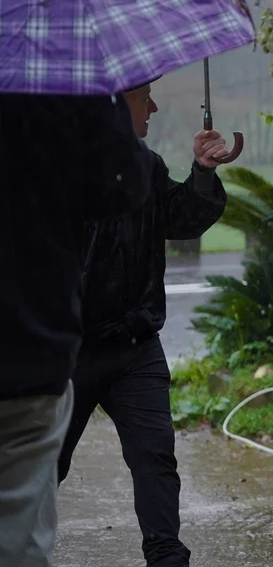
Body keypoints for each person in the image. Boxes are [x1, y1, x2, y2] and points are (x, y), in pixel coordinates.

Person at [57, 81, 229, 567]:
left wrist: (202, 172)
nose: (153, 105)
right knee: (42, 466)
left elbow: (179, 218)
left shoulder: (144, 164)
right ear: (113, 102)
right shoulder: (57, 169)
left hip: (136, 347)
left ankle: (166, 554)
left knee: (155, 458)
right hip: (68, 354)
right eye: (143, 96)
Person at [1, 92, 153, 567]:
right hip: (25, 356)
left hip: (63, 351)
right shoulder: (57, 84)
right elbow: (122, 185)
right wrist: (106, 94)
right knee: (18, 537)